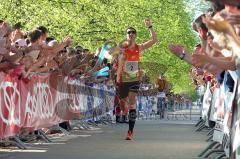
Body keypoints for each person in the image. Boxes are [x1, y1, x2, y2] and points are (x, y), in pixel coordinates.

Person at [109, 19, 157, 140]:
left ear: (135, 35)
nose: (131, 34)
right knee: (123, 102)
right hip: (122, 79)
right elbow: (110, 53)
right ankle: (124, 113)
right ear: (126, 35)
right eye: (129, 32)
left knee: (131, 103)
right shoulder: (122, 48)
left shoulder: (138, 47)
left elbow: (154, 41)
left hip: (134, 79)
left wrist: (150, 27)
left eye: (133, 32)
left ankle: (130, 131)